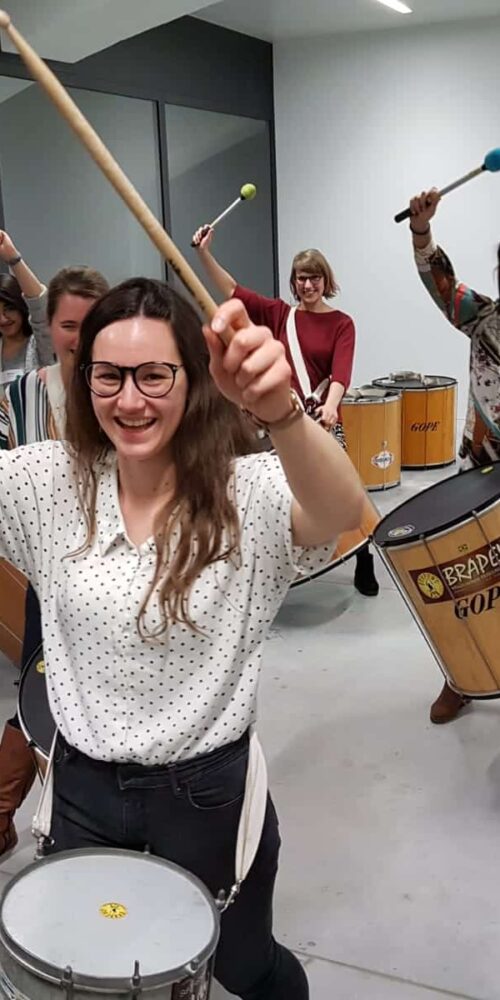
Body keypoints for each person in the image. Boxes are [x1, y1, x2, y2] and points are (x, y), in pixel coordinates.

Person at [0, 277, 364, 999]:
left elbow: (339, 511)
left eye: (154, 375)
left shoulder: (244, 492)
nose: (129, 400)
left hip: (205, 794)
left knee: (244, 965)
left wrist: (281, 414)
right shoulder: (49, 483)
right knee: (102, 964)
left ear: (193, 381)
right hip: (81, 788)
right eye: (109, 375)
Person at [192, 226, 379, 597]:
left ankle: (363, 555)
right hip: (280, 421)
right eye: (301, 278)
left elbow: (341, 372)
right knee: (275, 490)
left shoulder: (342, 323)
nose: (307, 285)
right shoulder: (279, 314)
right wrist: (204, 254)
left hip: (322, 419)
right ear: (294, 282)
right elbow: (232, 289)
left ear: (326, 280)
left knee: (343, 490)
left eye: (314, 278)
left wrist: (330, 406)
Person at [0, 264, 109, 857]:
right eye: (69, 325)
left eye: (94, 323)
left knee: (93, 698)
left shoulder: (123, 392)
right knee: (43, 688)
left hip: (118, 573)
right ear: (51, 328)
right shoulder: (21, 395)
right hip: (49, 577)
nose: (81, 337)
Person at [409, 188, 500, 724]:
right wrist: (421, 230)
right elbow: (440, 282)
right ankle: (463, 676)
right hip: (480, 475)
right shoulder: (483, 319)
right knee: (466, 587)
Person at [0, 230, 54, 395]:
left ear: (20, 306)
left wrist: (13, 259)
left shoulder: (40, 345)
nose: (2, 319)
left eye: (9, 309)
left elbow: (39, 303)